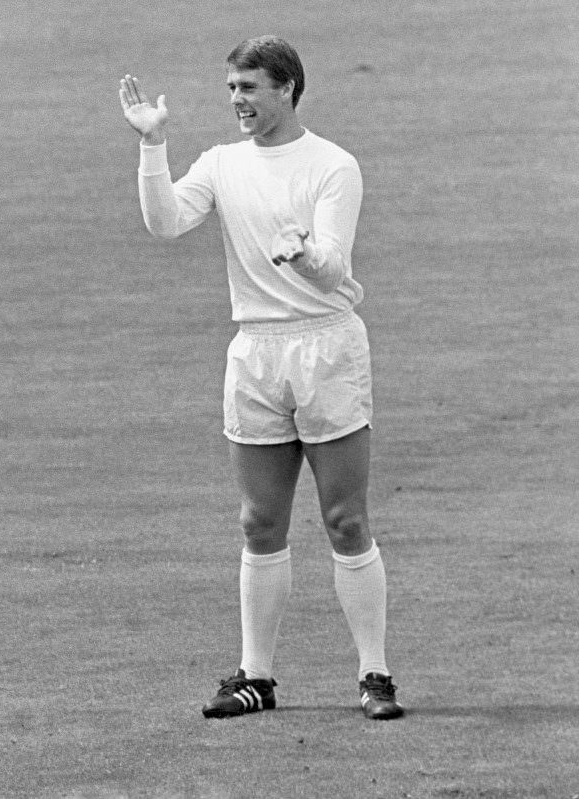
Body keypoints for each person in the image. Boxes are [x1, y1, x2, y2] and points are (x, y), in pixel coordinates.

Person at [119, 36, 404, 721]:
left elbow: (334, 268)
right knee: (258, 521)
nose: (238, 101)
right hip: (256, 351)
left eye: (250, 87)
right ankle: (256, 677)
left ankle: (375, 675)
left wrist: (303, 257)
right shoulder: (221, 165)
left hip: (325, 348)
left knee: (345, 518)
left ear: (288, 89)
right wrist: (152, 145)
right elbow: (164, 224)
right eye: (231, 89)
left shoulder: (333, 165)